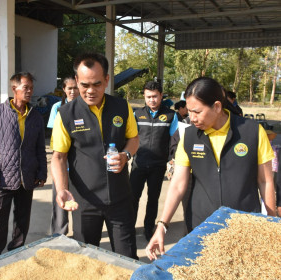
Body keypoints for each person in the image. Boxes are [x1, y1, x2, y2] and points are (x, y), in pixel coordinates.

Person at [146, 77, 276, 261]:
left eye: (197, 112)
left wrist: (272, 225)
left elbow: (265, 181)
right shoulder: (190, 136)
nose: (192, 118)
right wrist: (162, 225)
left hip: (245, 228)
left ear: (216, 106)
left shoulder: (251, 132)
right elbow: (177, 185)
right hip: (201, 227)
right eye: (189, 111)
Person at [51, 52, 139, 259]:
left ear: (107, 80)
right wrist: (62, 189)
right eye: (84, 85)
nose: (90, 91)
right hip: (85, 200)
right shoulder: (66, 114)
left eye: (97, 84)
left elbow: (133, 139)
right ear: (76, 82)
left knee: (126, 257)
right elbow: (58, 157)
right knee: (87, 259)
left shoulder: (122, 107)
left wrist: (125, 154)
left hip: (120, 198)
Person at [0, 72, 47, 259]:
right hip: (3, 177)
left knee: (22, 218)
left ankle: (17, 251)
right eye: (26, 88)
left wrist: (42, 172)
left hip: (27, 176)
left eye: (31, 88)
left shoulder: (35, 116)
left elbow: (40, 147)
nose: (30, 92)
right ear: (14, 89)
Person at [130, 81, 178, 241]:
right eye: (148, 96)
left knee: (153, 199)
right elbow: (130, 137)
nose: (152, 100)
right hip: (139, 163)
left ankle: (149, 228)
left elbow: (174, 140)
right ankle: (129, 228)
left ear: (161, 96)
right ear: (144, 96)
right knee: (133, 197)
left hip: (158, 165)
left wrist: (172, 160)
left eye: (155, 96)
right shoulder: (137, 114)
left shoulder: (171, 116)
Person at [47, 76, 79, 235]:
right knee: (60, 196)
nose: (73, 91)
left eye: (75, 88)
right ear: (64, 90)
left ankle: (82, 232)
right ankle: (59, 233)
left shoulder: (84, 107)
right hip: (61, 160)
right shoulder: (57, 108)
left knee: (79, 198)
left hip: (78, 162)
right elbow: (57, 135)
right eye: (69, 88)